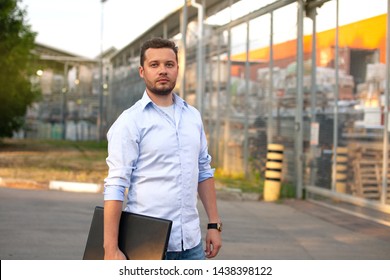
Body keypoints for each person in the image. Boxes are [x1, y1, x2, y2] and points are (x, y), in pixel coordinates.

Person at [103, 37, 222, 260]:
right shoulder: (130, 122)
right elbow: (116, 184)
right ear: (142, 71)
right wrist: (110, 248)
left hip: (192, 245)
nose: (163, 71)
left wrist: (214, 224)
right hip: (147, 245)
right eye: (154, 65)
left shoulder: (192, 117)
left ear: (177, 68)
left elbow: (204, 170)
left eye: (169, 64)